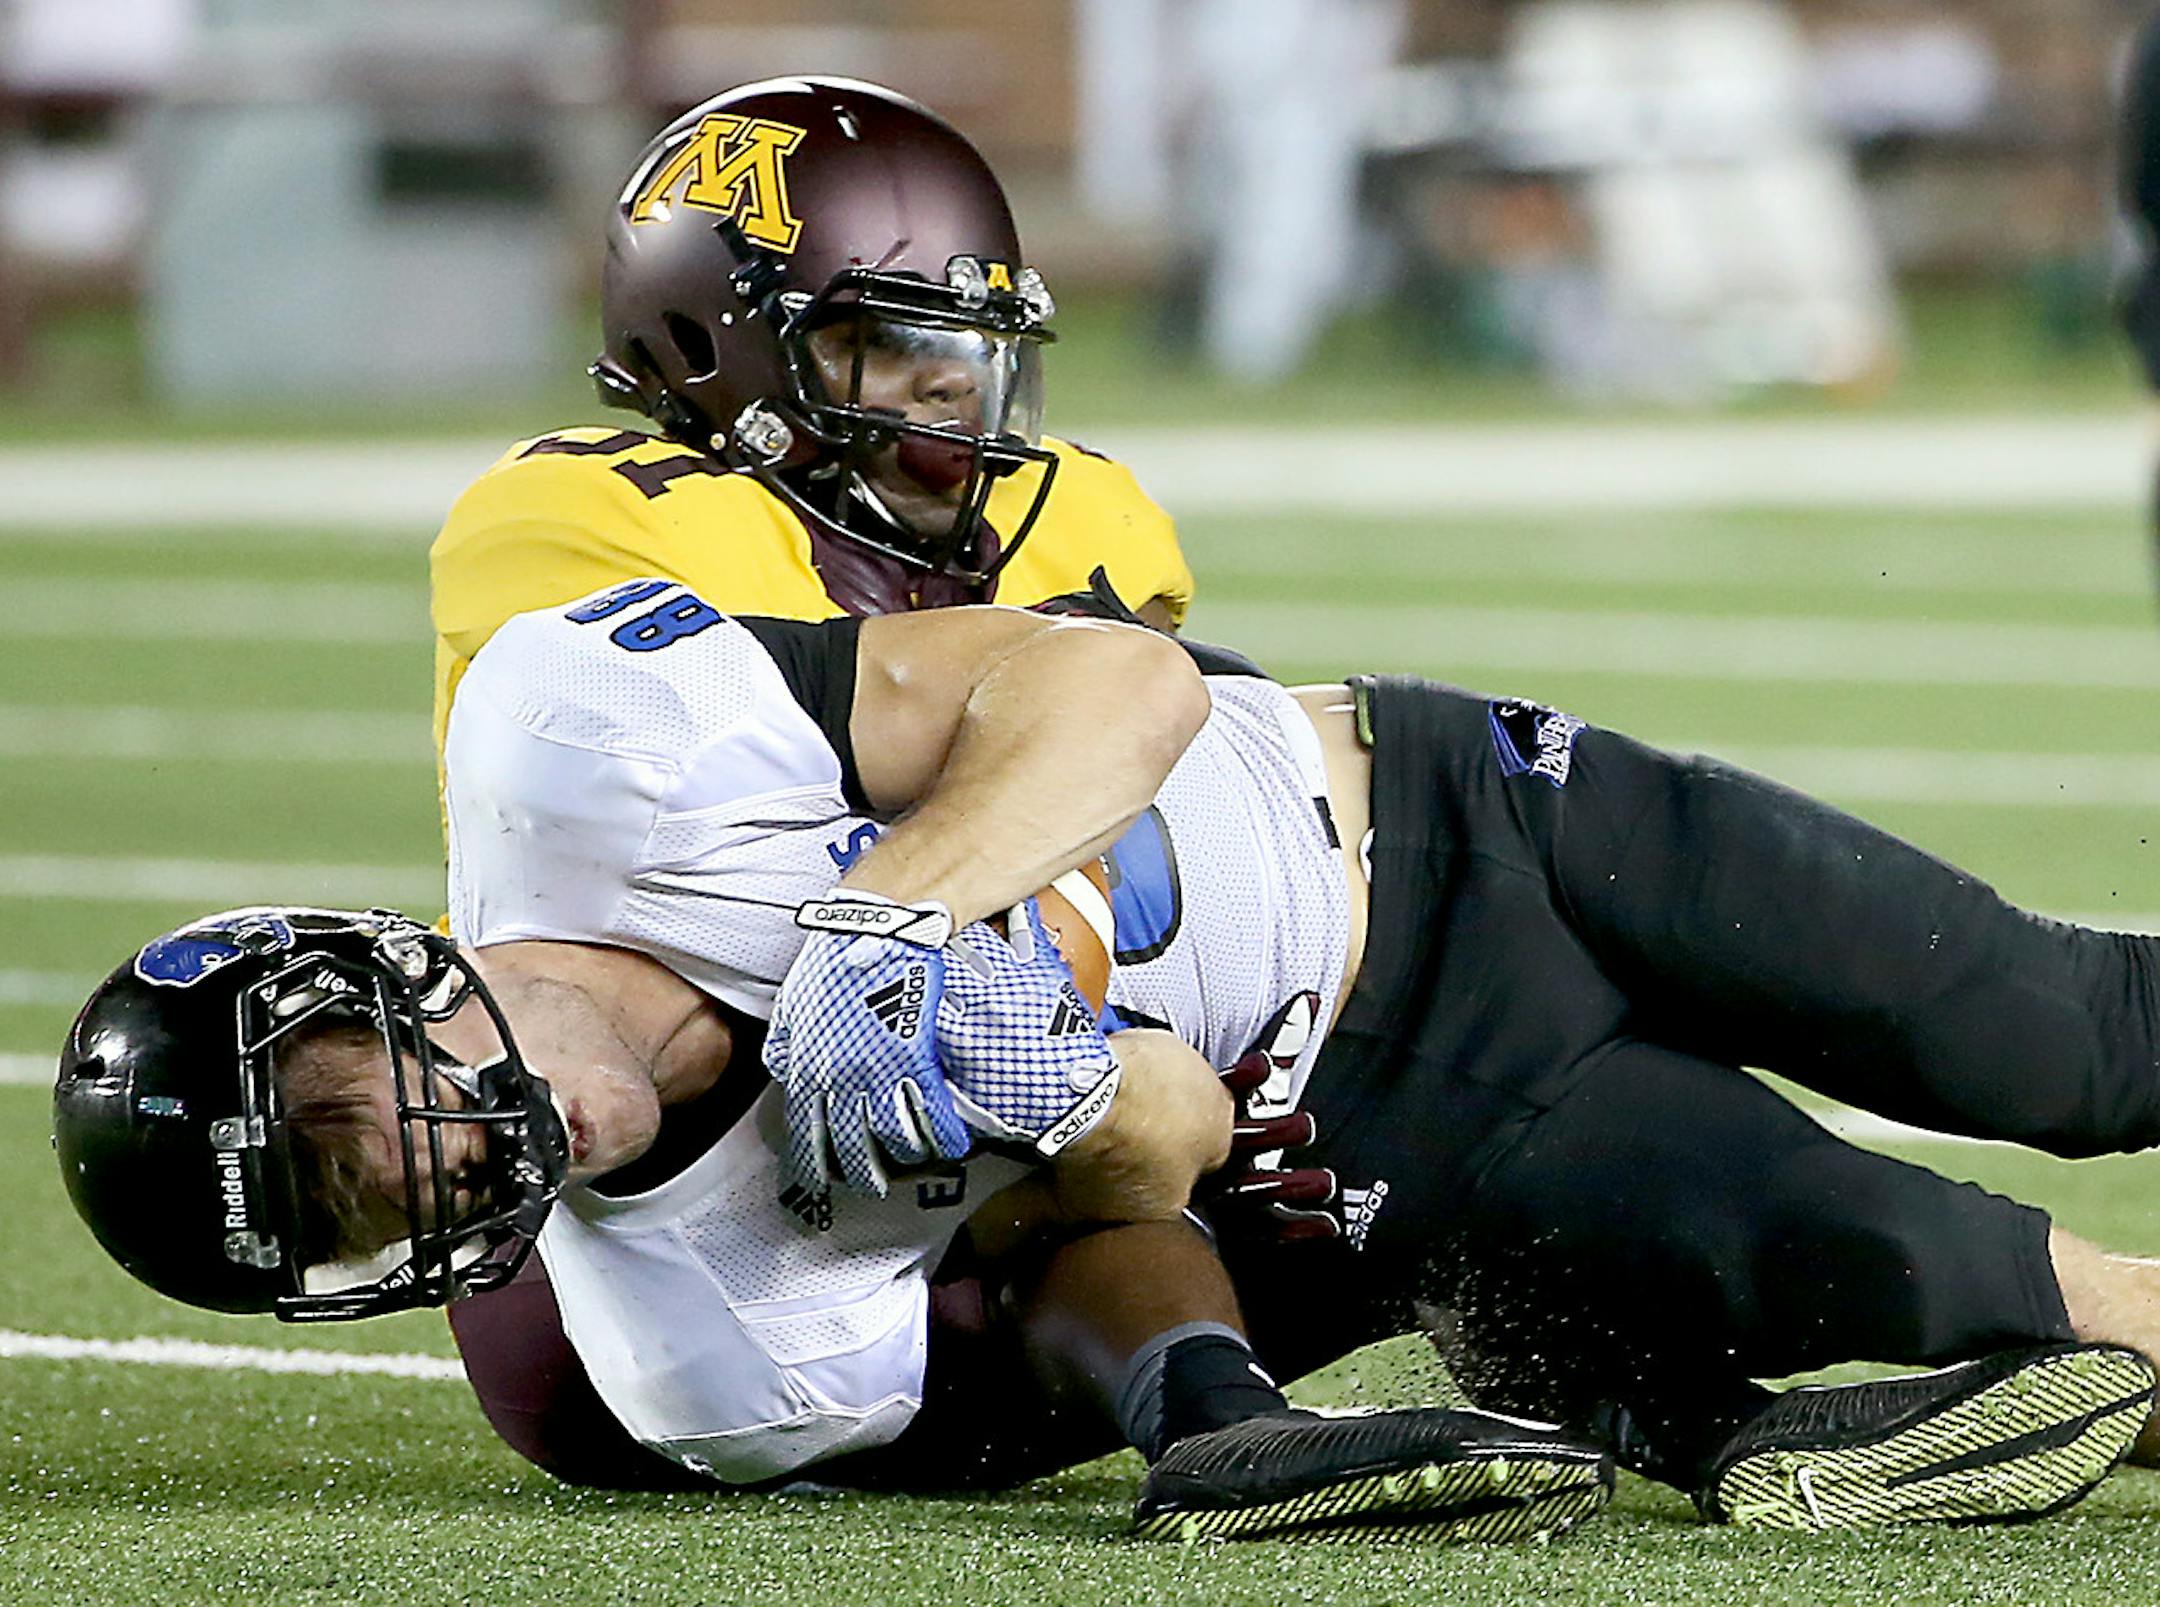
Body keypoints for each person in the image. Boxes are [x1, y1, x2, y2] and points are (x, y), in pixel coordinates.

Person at [56, 588, 2160, 1534]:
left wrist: (892, 923)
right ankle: (1653, 1379)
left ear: (380, 971)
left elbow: (1120, 682)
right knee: (2025, 1305)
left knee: (2070, 1033)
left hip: (1451, 810)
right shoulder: (706, 1347)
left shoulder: (580, 745)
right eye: (343, 1209)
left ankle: (1653, 1393)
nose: (406, 1165)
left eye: (349, 1107)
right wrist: (1052, 1072)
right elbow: (1163, 1174)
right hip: (1402, 1109)